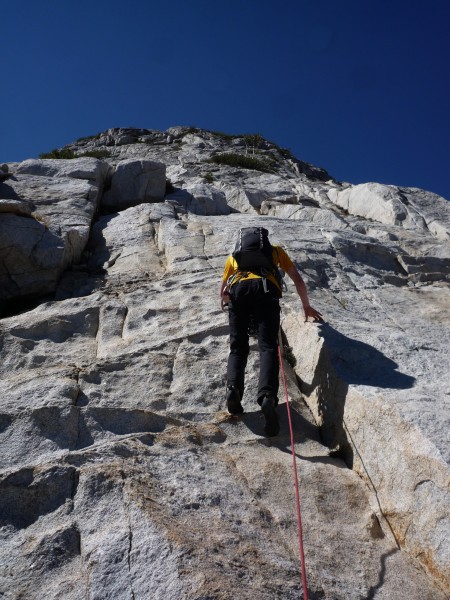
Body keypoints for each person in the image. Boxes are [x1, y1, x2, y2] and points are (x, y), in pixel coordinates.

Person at [220, 228, 323, 437]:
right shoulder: (276, 252)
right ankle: (267, 397)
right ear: (264, 241)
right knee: (268, 347)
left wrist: (229, 305)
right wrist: (306, 307)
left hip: (238, 292)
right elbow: (297, 279)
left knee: (238, 347)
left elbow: (223, 291)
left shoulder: (234, 256)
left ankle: (233, 390)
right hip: (266, 292)